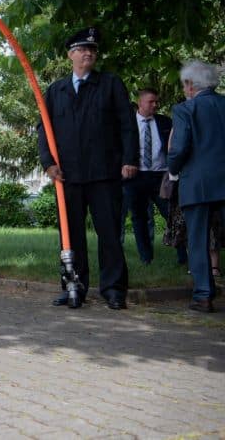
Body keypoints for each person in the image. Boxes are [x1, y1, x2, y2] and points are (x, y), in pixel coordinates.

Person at [37, 27, 138, 310]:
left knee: (109, 234)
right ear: (71, 55)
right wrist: (48, 163)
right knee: (71, 237)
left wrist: (129, 159)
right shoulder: (56, 90)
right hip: (67, 176)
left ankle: (114, 290)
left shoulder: (110, 84)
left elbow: (127, 125)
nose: (89, 53)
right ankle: (73, 287)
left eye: (92, 50)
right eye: (83, 49)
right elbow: (43, 130)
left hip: (104, 174)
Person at [167, 60, 225, 313]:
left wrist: (173, 169)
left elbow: (179, 147)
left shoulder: (185, 110)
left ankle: (203, 295)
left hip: (197, 183)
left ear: (190, 85)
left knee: (198, 239)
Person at [122, 88, 187, 266]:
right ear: (140, 102)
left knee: (173, 215)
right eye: (151, 102)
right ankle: (146, 258)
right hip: (136, 177)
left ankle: (183, 257)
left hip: (161, 178)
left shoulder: (165, 122)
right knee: (139, 218)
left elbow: (175, 146)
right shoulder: (128, 124)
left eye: (156, 102)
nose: (155, 105)